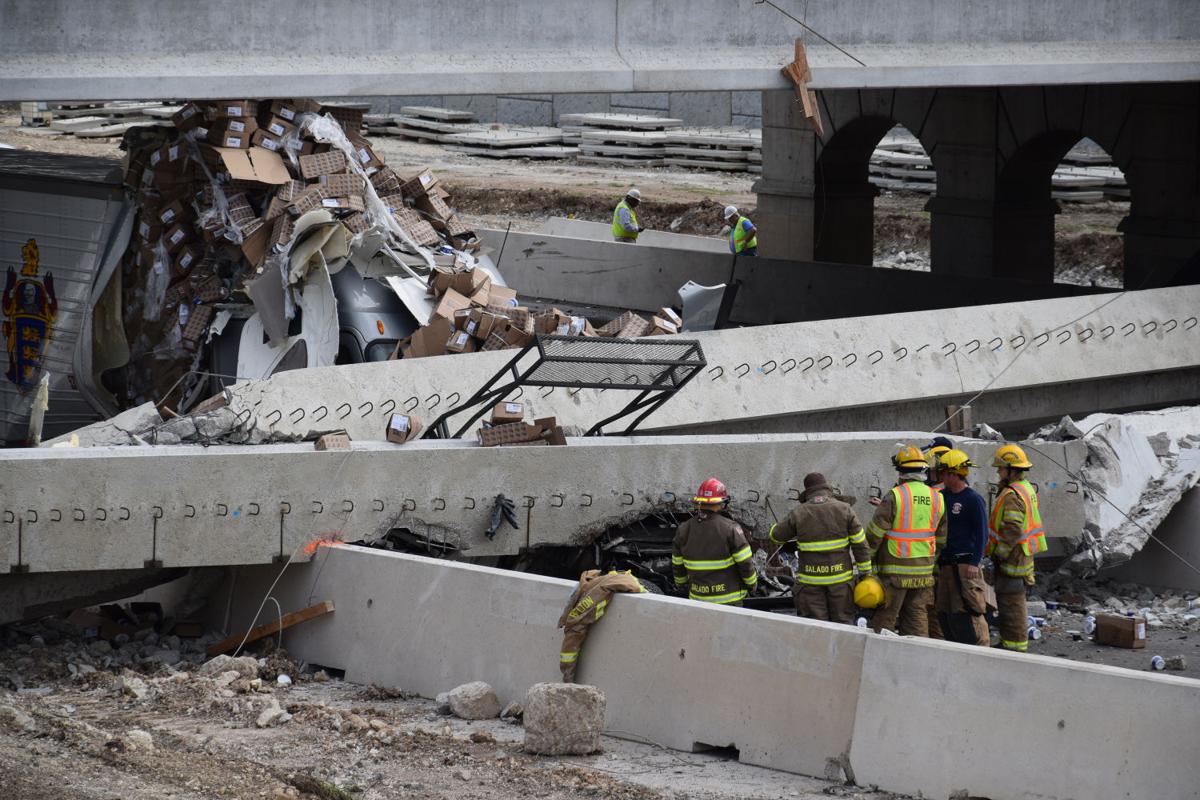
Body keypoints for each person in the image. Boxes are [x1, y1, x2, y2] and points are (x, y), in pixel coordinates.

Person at [863, 445, 947, 636]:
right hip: (924, 572)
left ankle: (883, 660)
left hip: (895, 572)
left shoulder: (895, 496)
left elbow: (875, 534)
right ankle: (917, 658)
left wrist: (866, 563)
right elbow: (941, 538)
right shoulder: (937, 498)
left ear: (901, 472)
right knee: (917, 616)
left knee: (886, 618)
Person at [768, 472, 872, 624]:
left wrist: (776, 527)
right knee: (844, 626)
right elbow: (860, 545)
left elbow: (776, 536)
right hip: (841, 584)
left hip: (811, 585)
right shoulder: (845, 509)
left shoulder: (799, 512)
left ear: (807, 492)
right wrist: (865, 573)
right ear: (827, 488)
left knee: (816, 629)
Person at [987, 444, 1047, 652]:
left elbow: (1012, 529)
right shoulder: (1026, 488)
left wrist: (999, 554)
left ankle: (1014, 648)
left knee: (1011, 603)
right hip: (1022, 555)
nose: (998, 472)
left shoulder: (1013, 494)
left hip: (1012, 558)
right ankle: (1011, 643)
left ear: (1012, 469)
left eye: (1001, 468)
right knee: (1011, 601)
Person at [672, 478, 758, 606]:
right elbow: (745, 562)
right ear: (722, 503)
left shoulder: (683, 529)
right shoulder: (731, 528)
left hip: (698, 599)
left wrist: (681, 585)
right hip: (729, 601)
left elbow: (677, 565)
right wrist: (752, 584)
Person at [935, 449, 991, 646]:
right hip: (946, 565)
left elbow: (983, 533)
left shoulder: (972, 499)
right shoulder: (942, 497)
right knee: (946, 610)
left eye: (943, 473)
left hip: (966, 565)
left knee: (971, 609)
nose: (941, 477)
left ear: (953, 474)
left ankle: (981, 649)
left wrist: (975, 562)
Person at [557, 569, 647, 682]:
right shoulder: (590, 592)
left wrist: (567, 679)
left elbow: (570, 647)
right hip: (631, 580)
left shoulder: (579, 612)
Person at [921, 436, 952, 640]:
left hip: (936, 562)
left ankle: (936, 644)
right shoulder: (950, 492)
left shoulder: (937, 494)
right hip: (940, 561)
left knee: (933, 608)